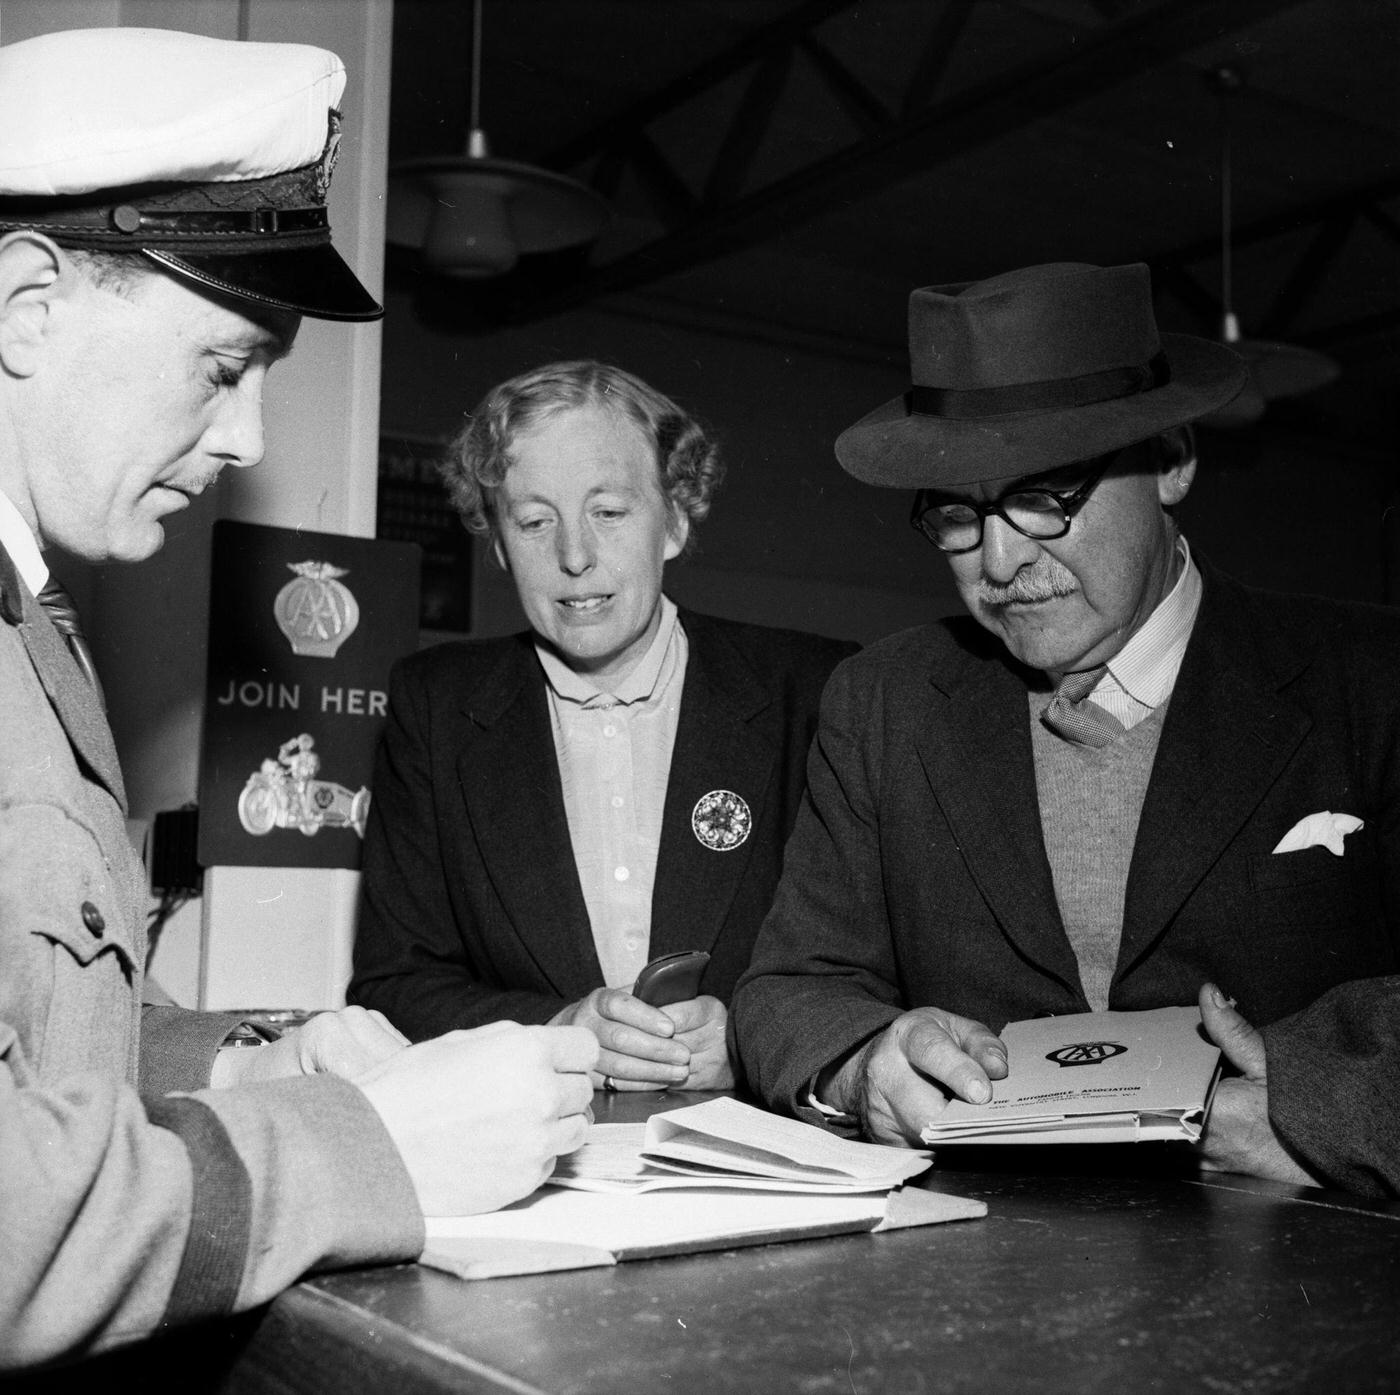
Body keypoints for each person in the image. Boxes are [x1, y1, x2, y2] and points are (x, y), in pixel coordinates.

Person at [0, 28, 596, 1369]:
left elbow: (46, 1034)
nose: (249, 441)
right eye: (223, 365)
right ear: (27, 307)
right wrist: (367, 1146)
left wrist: (242, 1063)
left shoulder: (28, 614)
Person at [731, 261, 1400, 1198]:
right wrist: (864, 1064)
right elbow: (785, 991)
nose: (1000, 561)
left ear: (1171, 460)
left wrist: (1317, 1112)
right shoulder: (882, 701)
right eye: (958, 514)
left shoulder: (1370, 680)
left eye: (1047, 494)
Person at [348, 360, 857, 1091]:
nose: (575, 556)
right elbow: (392, 989)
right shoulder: (434, 708)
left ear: (676, 518)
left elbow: (883, 970)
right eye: (533, 521)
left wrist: (753, 1037)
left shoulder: (813, 692)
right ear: (495, 541)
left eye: (609, 512)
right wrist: (558, 1028)